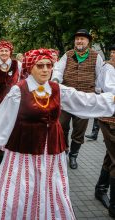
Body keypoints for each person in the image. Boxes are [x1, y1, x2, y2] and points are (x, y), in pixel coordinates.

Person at [0, 48, 115, 220]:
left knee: (51, 187)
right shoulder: (18, 91)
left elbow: (84, 100)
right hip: (24, 150)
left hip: (51, 150)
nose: (45, 70)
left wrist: (110, 99)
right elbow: (3, 122)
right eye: (40, 66)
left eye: (49, 65)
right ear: (30, 68)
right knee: (20, 189)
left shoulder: (57, 89)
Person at [51, 29, 105, 169]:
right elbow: (58, 69)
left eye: (82, 39)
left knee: (79, 130)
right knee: (61, 126)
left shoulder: (96, 56)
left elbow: (100, 76)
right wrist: (56, 80)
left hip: (85, 99)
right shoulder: (68, 55)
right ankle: (64, 150)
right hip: (67, 98)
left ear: (88, 41)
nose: (79, 41)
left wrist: (98, 94)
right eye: (77, 39)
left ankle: (73, 155)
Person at [93, 46, 115, 218]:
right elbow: (109, 90)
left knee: (111, 155)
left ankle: (101, 189)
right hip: (110, 118)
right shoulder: (109, 68)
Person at [85, 45, 115, 141]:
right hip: (108, 96)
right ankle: (98, 134)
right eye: (112, 52)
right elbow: (107, 85)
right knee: (103, 117)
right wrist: (97, 90)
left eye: (114, 53)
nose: (112, 54)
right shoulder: (108, 66)